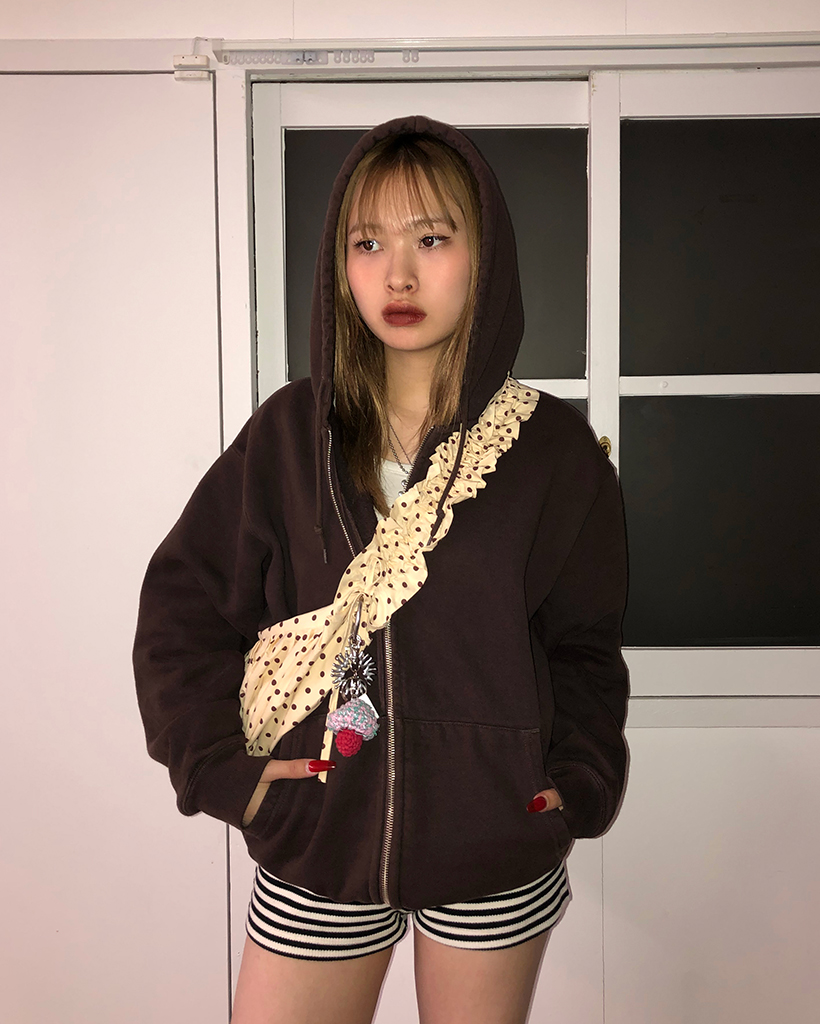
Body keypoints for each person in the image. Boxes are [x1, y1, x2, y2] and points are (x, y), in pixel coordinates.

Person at [133, 114, 629, 1024]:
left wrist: (579, 781)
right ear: (341, 265)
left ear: (485, 255)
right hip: (317, 837)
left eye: (431, 239)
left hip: (497, 840)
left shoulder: (551, 453)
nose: (397, 275)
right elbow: (183, 612)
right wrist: (224, 772)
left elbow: (584, 647)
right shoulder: (288, 437)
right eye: (368, 244)